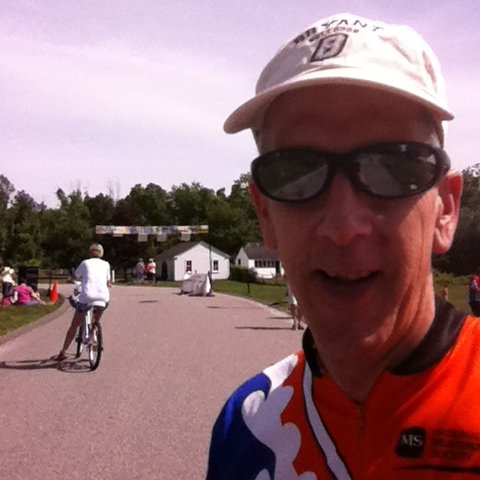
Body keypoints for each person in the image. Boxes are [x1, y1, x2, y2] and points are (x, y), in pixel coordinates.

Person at [206, 13, 476, 479]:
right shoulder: (246, 426)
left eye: (393, 167)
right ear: (265, 213)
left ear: (445, 210)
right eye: (296, 173)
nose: (343, 226)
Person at [55, 243, 111, 362]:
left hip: (87, 296)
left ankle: (63, 351)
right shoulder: (106, 264)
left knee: (74, 325)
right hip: (103, 297)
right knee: (97, 318)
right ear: (101, 253)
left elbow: (76, 276)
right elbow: (108, 281)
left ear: (90, 253)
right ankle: (94, 333)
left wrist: (72, 279)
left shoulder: (85, 263)